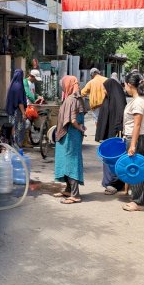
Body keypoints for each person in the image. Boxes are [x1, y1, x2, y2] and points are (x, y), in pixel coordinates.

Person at [122, 72, 144, 212]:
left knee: (135, 170)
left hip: (138, 138)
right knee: (143, 167)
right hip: (143, 137)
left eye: (125, 84)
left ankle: (138, 201)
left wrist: (133, 145)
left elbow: (137, 125)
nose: (124, 87)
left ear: (129, 85)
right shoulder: (142, 99)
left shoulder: (139, 102)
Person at [54, 75, 86, 204]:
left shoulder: (71, 99)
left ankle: (75, 194)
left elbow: (72, 120)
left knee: (70, 163)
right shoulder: (77, 98)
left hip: (69, 136)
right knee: (67, 161)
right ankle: (68, 189)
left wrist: (79, 128)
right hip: (71, 136)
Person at [96, 77, 128, 195]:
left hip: (115, 135)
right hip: (108, 134)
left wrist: (117, 131)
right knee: (107, 159)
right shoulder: (109, 99)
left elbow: (120, 118)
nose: (103, 91)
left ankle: (115, 183)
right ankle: (110, 182)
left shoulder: (119, 102)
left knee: (113, 160)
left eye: (104, 89)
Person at [6, 69, 27, 148]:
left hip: (11, 110)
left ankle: (11, 143)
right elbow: (20, 102)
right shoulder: (19, 86)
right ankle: (18, 144)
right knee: (19, 127)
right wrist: (23, 113)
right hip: (18, 111)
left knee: (12, 126)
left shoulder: (12, 85)